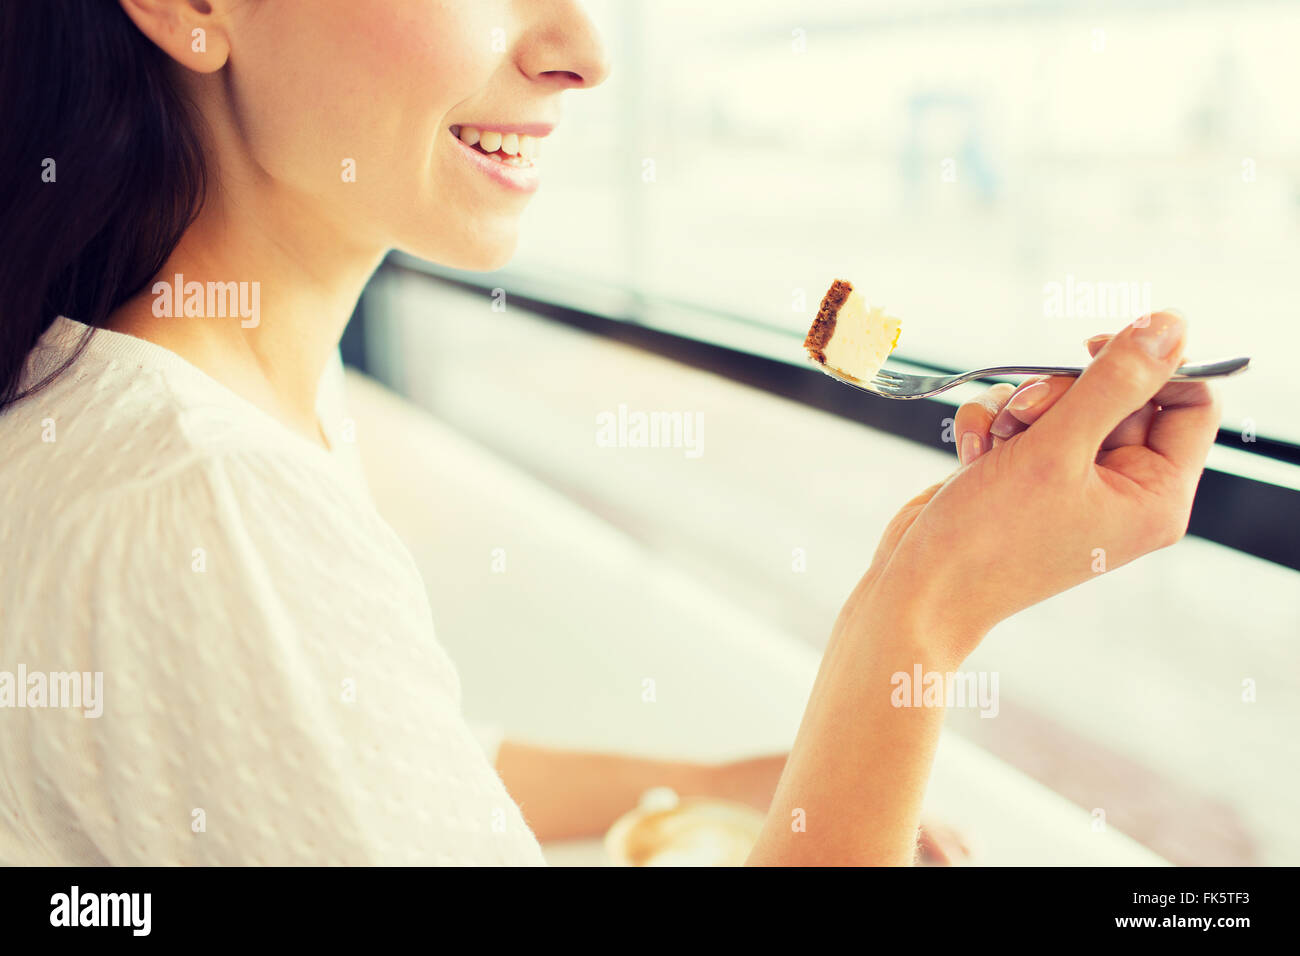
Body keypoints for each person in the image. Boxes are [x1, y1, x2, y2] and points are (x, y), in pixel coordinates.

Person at [0, 0, 1217, 866]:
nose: (581, 51)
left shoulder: (158, 402)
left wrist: (710, 785)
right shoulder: (207, 502)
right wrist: (925, 604)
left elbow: (357, 746)